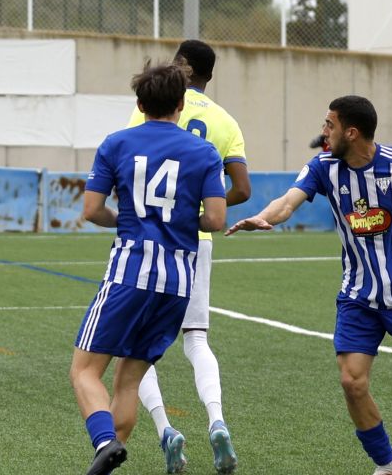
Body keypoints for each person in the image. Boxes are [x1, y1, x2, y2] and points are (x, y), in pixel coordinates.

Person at [226, 95, 392, 475]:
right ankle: (388, 466)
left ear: (351, 132)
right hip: (358, 295)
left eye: (329, 125)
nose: (323, 132)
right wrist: (263, 217)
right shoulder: (323, 167)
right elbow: (288, 202)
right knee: (352, 381)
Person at [70, 62, 227, 475]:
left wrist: (129, 219)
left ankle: (105, 441)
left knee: (85, 371)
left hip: (130, 271)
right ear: (180, 104)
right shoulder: (204, 152)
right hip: (177, 281)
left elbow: (91, 210)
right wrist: (174, 219)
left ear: (139, 104)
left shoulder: (116, 144)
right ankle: (111, 451)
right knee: (128, 380)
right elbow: (215, 219)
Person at [127, 40, 249, 474]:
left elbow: (133, 164)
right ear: (210, 77)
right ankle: (217, 421)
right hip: (196, 243)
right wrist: (199, 213)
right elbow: (242, 189)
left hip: (145, 240)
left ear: (180, 66)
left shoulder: (150, 108)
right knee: (196, 339)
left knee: (135, 346)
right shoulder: (225, 121)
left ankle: (166, 430)